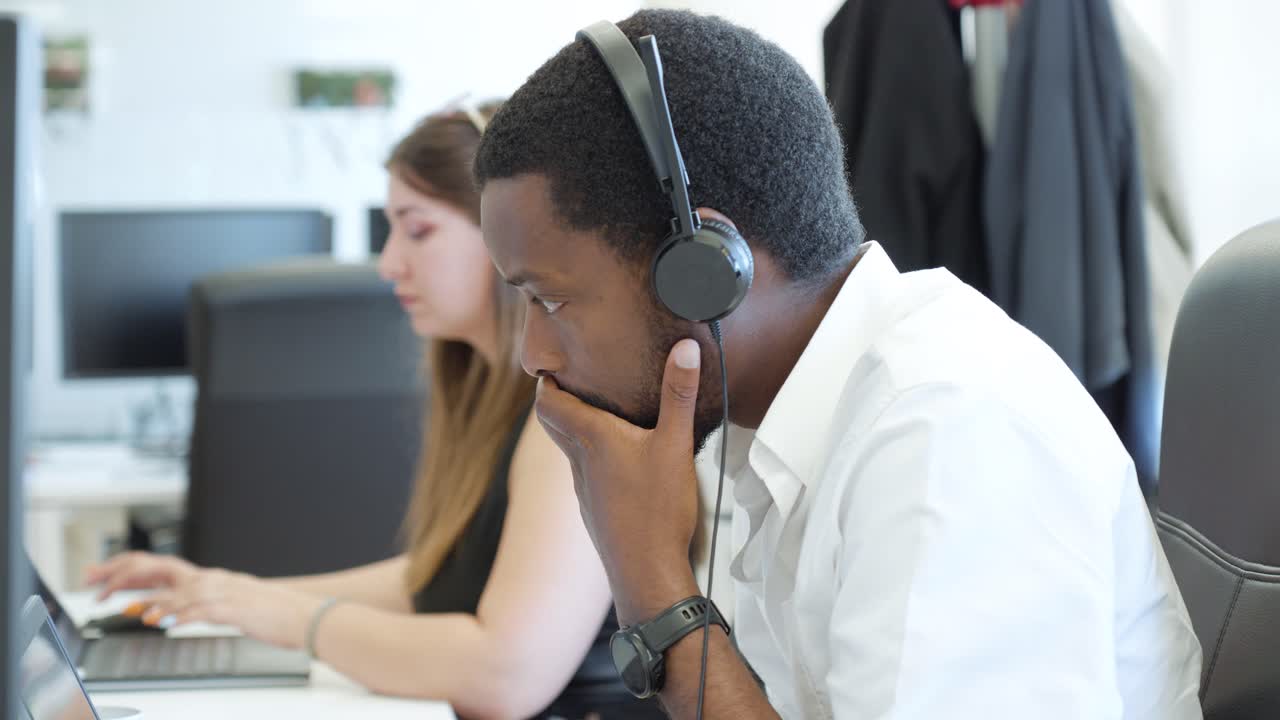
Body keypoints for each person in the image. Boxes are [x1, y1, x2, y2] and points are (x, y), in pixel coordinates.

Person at [473, 10, 1204, 720]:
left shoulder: (945, 430)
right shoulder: (785, 432)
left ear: (703, 269)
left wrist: (655, 591)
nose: (531, 355)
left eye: (549, 300)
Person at [85, 102, 662, 720]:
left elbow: (505, 673)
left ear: (509, 234)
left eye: (417, 230)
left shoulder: (572, 418)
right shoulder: (488, 398)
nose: (388, 264)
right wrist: (224, 594)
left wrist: (288, 618)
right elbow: (433, 581)